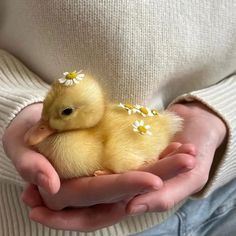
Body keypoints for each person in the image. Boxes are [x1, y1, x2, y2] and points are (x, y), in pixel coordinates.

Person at [0, 1, 235, 235]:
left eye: (65, 113)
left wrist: (221, 111)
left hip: (228, 196)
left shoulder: (113, 149)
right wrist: (14, 108)